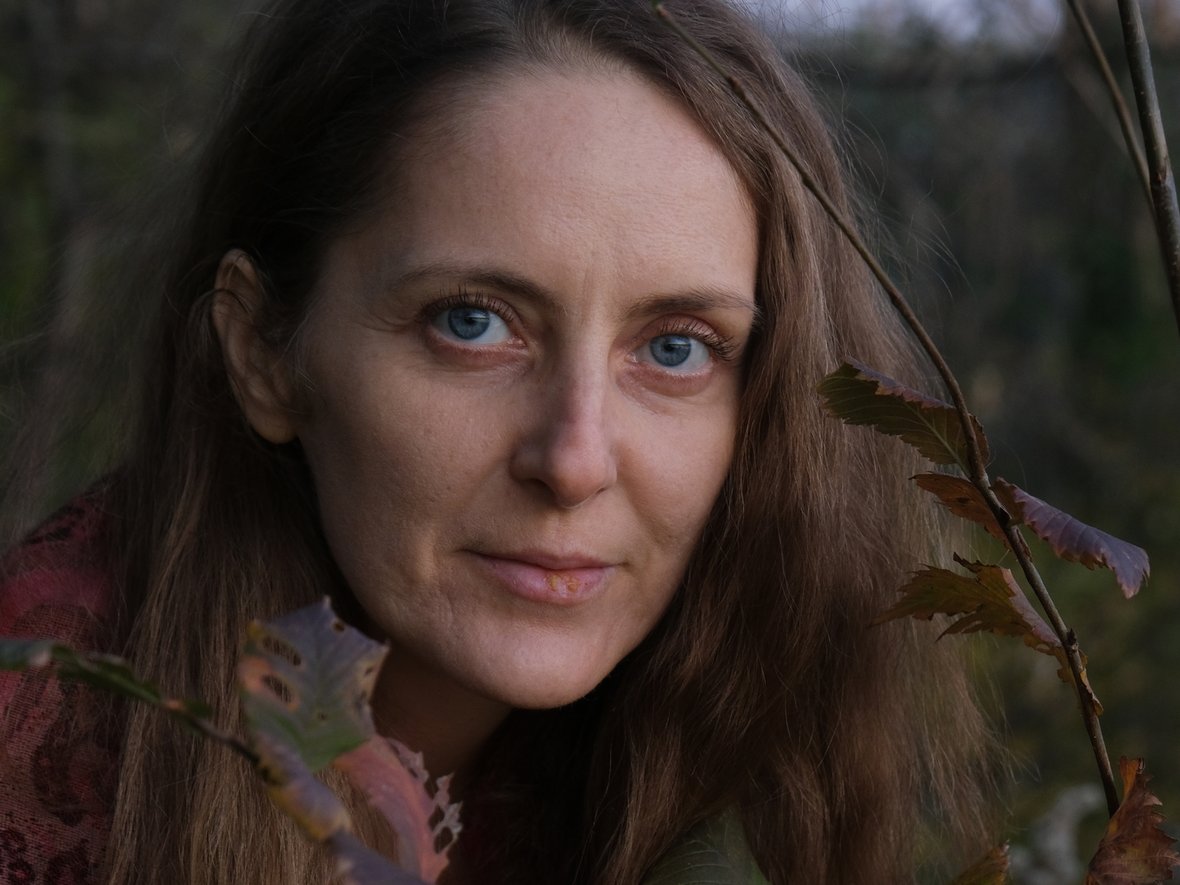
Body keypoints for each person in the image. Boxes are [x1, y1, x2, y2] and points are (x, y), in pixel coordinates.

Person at [0, 0, 996, 882]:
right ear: (264, 353)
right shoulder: (40, 760)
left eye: (677, 347)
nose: (575, 461)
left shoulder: (689, 742)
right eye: (471, 323)